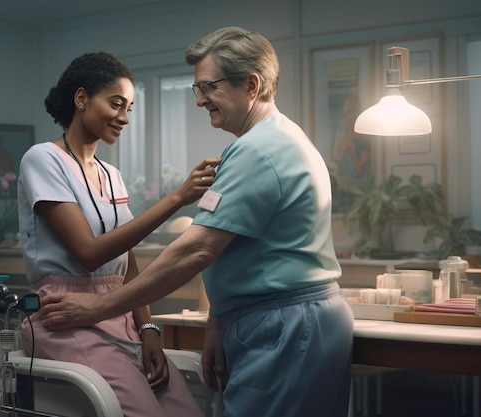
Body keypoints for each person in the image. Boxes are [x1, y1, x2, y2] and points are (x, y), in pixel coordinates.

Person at [40, 27, 355, 417]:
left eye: (208, 87)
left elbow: (199, 247)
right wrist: (219, 319)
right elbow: (237, 247)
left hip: (284, 325)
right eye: (196, 89)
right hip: (284, 320)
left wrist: (97, 308)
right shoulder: (273, 140)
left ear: (251, 85)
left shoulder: (258, 151)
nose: (200, 99)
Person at [16, 52, 219, 417]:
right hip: (66, 317)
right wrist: (177, 198)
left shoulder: (111, 174)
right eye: (115, 104)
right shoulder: (42, 159)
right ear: (81, 99)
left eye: (130, 108)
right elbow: (89, 253)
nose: (124, 117)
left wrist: (148, 328)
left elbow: (125, 263)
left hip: (122, 315)